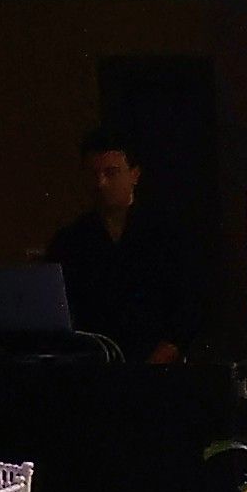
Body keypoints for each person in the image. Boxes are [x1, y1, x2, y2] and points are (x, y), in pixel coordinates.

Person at [43, 128, 209, 362]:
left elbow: (189, 307)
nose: (100, 183)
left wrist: (157, 360)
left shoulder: (167, 235)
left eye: (111, 173)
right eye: (93, 174)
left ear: (135, 174)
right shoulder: (70, 242)